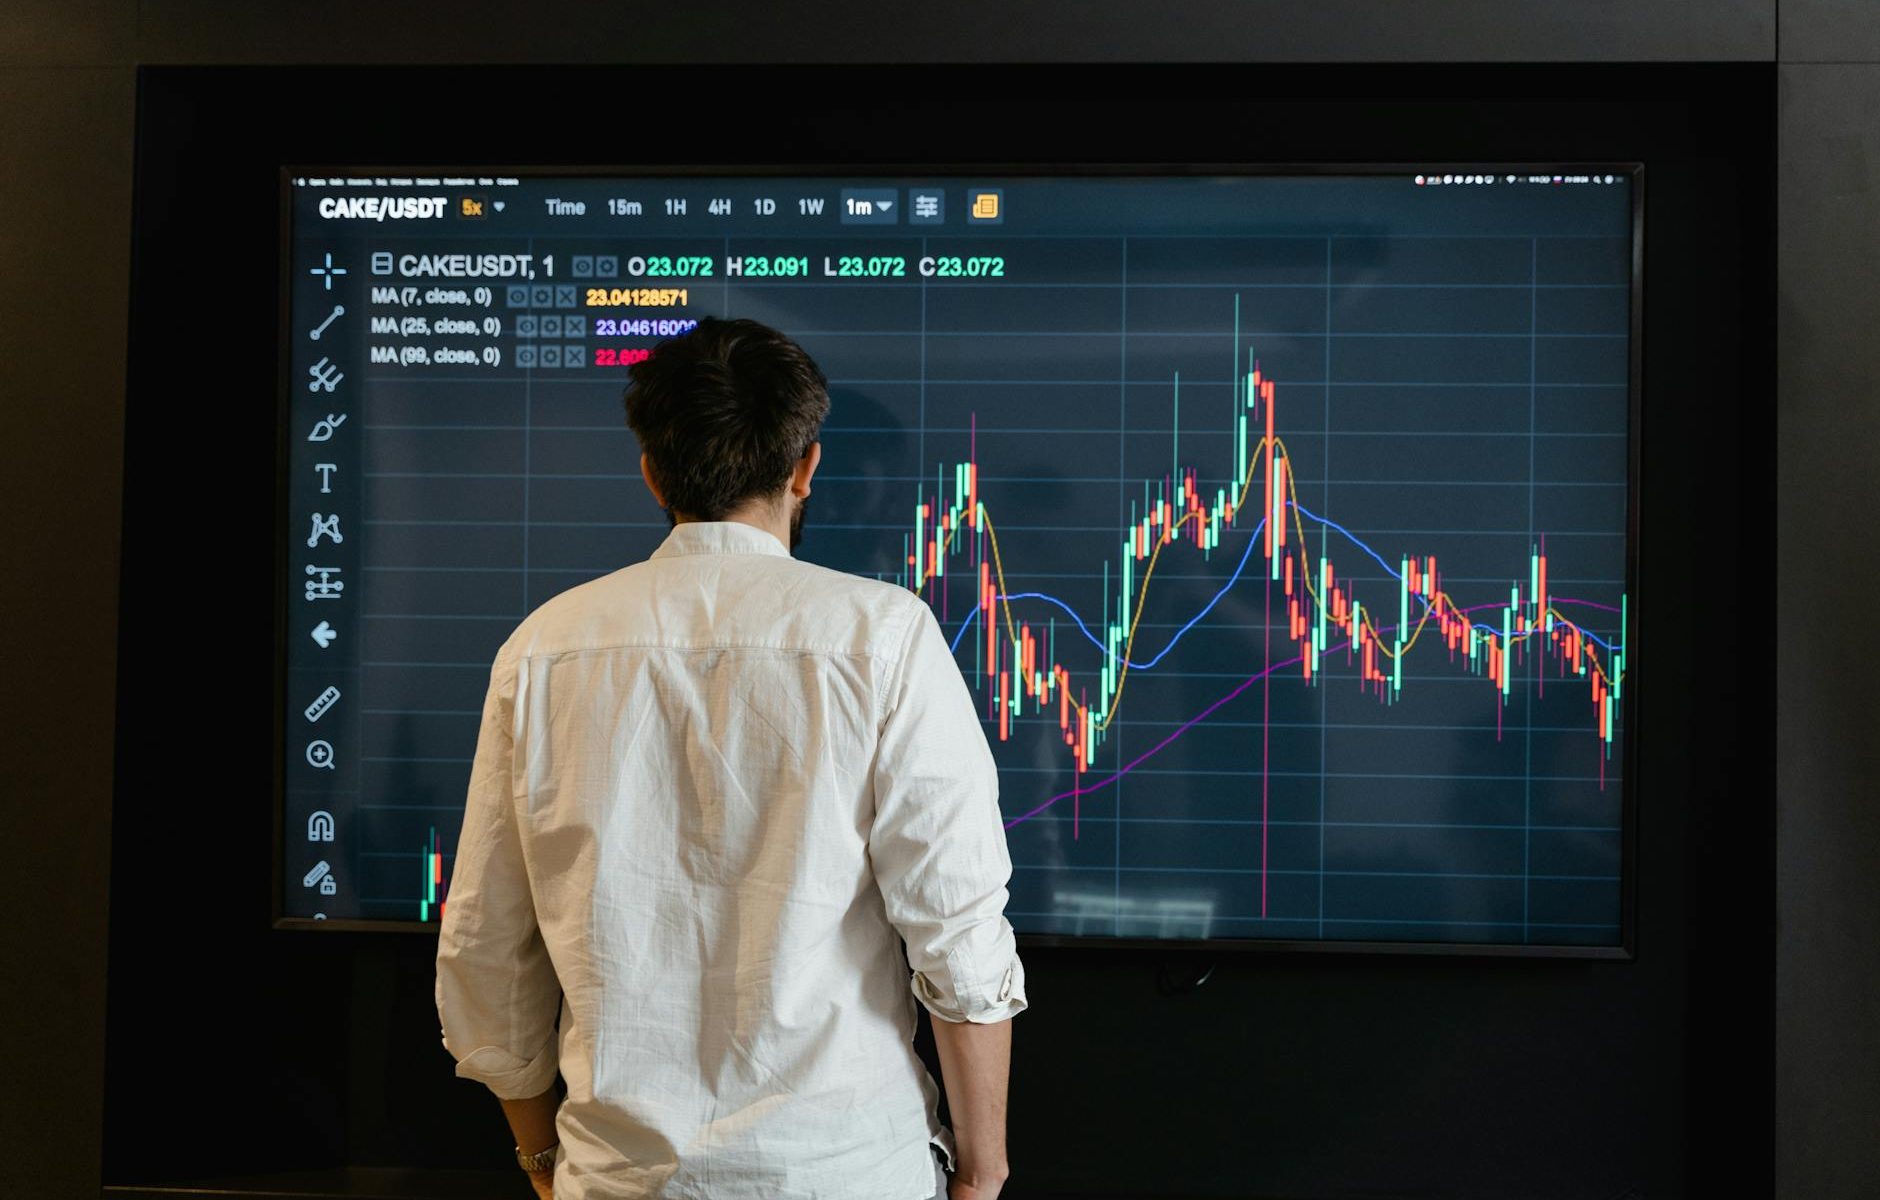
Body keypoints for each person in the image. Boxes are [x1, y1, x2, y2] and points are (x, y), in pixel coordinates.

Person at [435, 316, 1027, 1200]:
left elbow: (486, 945)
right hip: (848, 1173)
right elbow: (958, 934)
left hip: (620, 1177)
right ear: (804, 468)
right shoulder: (883, 636)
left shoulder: (544, 648)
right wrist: (982, 1171)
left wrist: (539, 1159)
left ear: (651, 473)